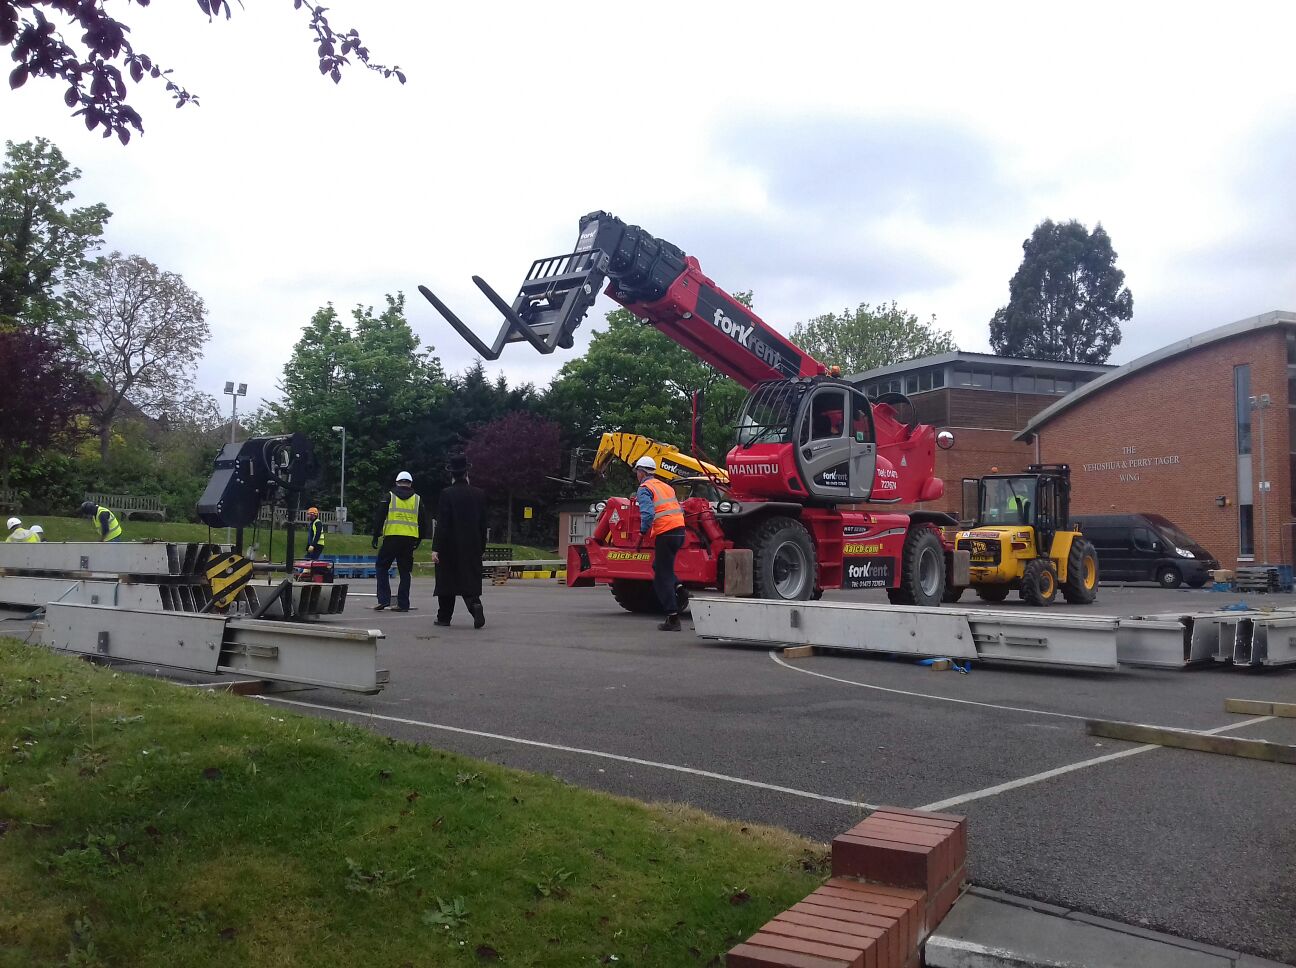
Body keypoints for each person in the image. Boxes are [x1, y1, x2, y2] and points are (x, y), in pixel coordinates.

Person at [433, 454, 487, 629]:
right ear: (466, 474)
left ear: (452, 475)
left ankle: (444, 617)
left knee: (446, 582)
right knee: (469, 579)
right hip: (472, 545)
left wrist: (436, 548)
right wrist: (482, 546)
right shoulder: (479, 494)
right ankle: (474, 605)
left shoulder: (446, 494)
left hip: (449, 546)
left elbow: (442, 524)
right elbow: (483, 523)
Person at [633, 456, 687, 632]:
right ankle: (679, 588)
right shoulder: (666, 487)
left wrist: (641, 534)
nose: (636, 475)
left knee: (661, 578)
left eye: (637, 472)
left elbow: (648, 514)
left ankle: (673, 618)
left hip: (666, 532)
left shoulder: (645, 488)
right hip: (679, 531)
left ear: (641, 472)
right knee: (661, 566)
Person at [370, 470, 429, 612]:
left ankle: (384, 599)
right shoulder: (417, 499)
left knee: (382, 566)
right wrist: (419, 538)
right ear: (410, 483)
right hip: (409, 540)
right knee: (405, 572)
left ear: (397, 482)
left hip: (392, 537)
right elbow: (423, 521)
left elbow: (379, 516)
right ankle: (403, 604)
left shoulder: (389, 496)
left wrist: (375, 535)